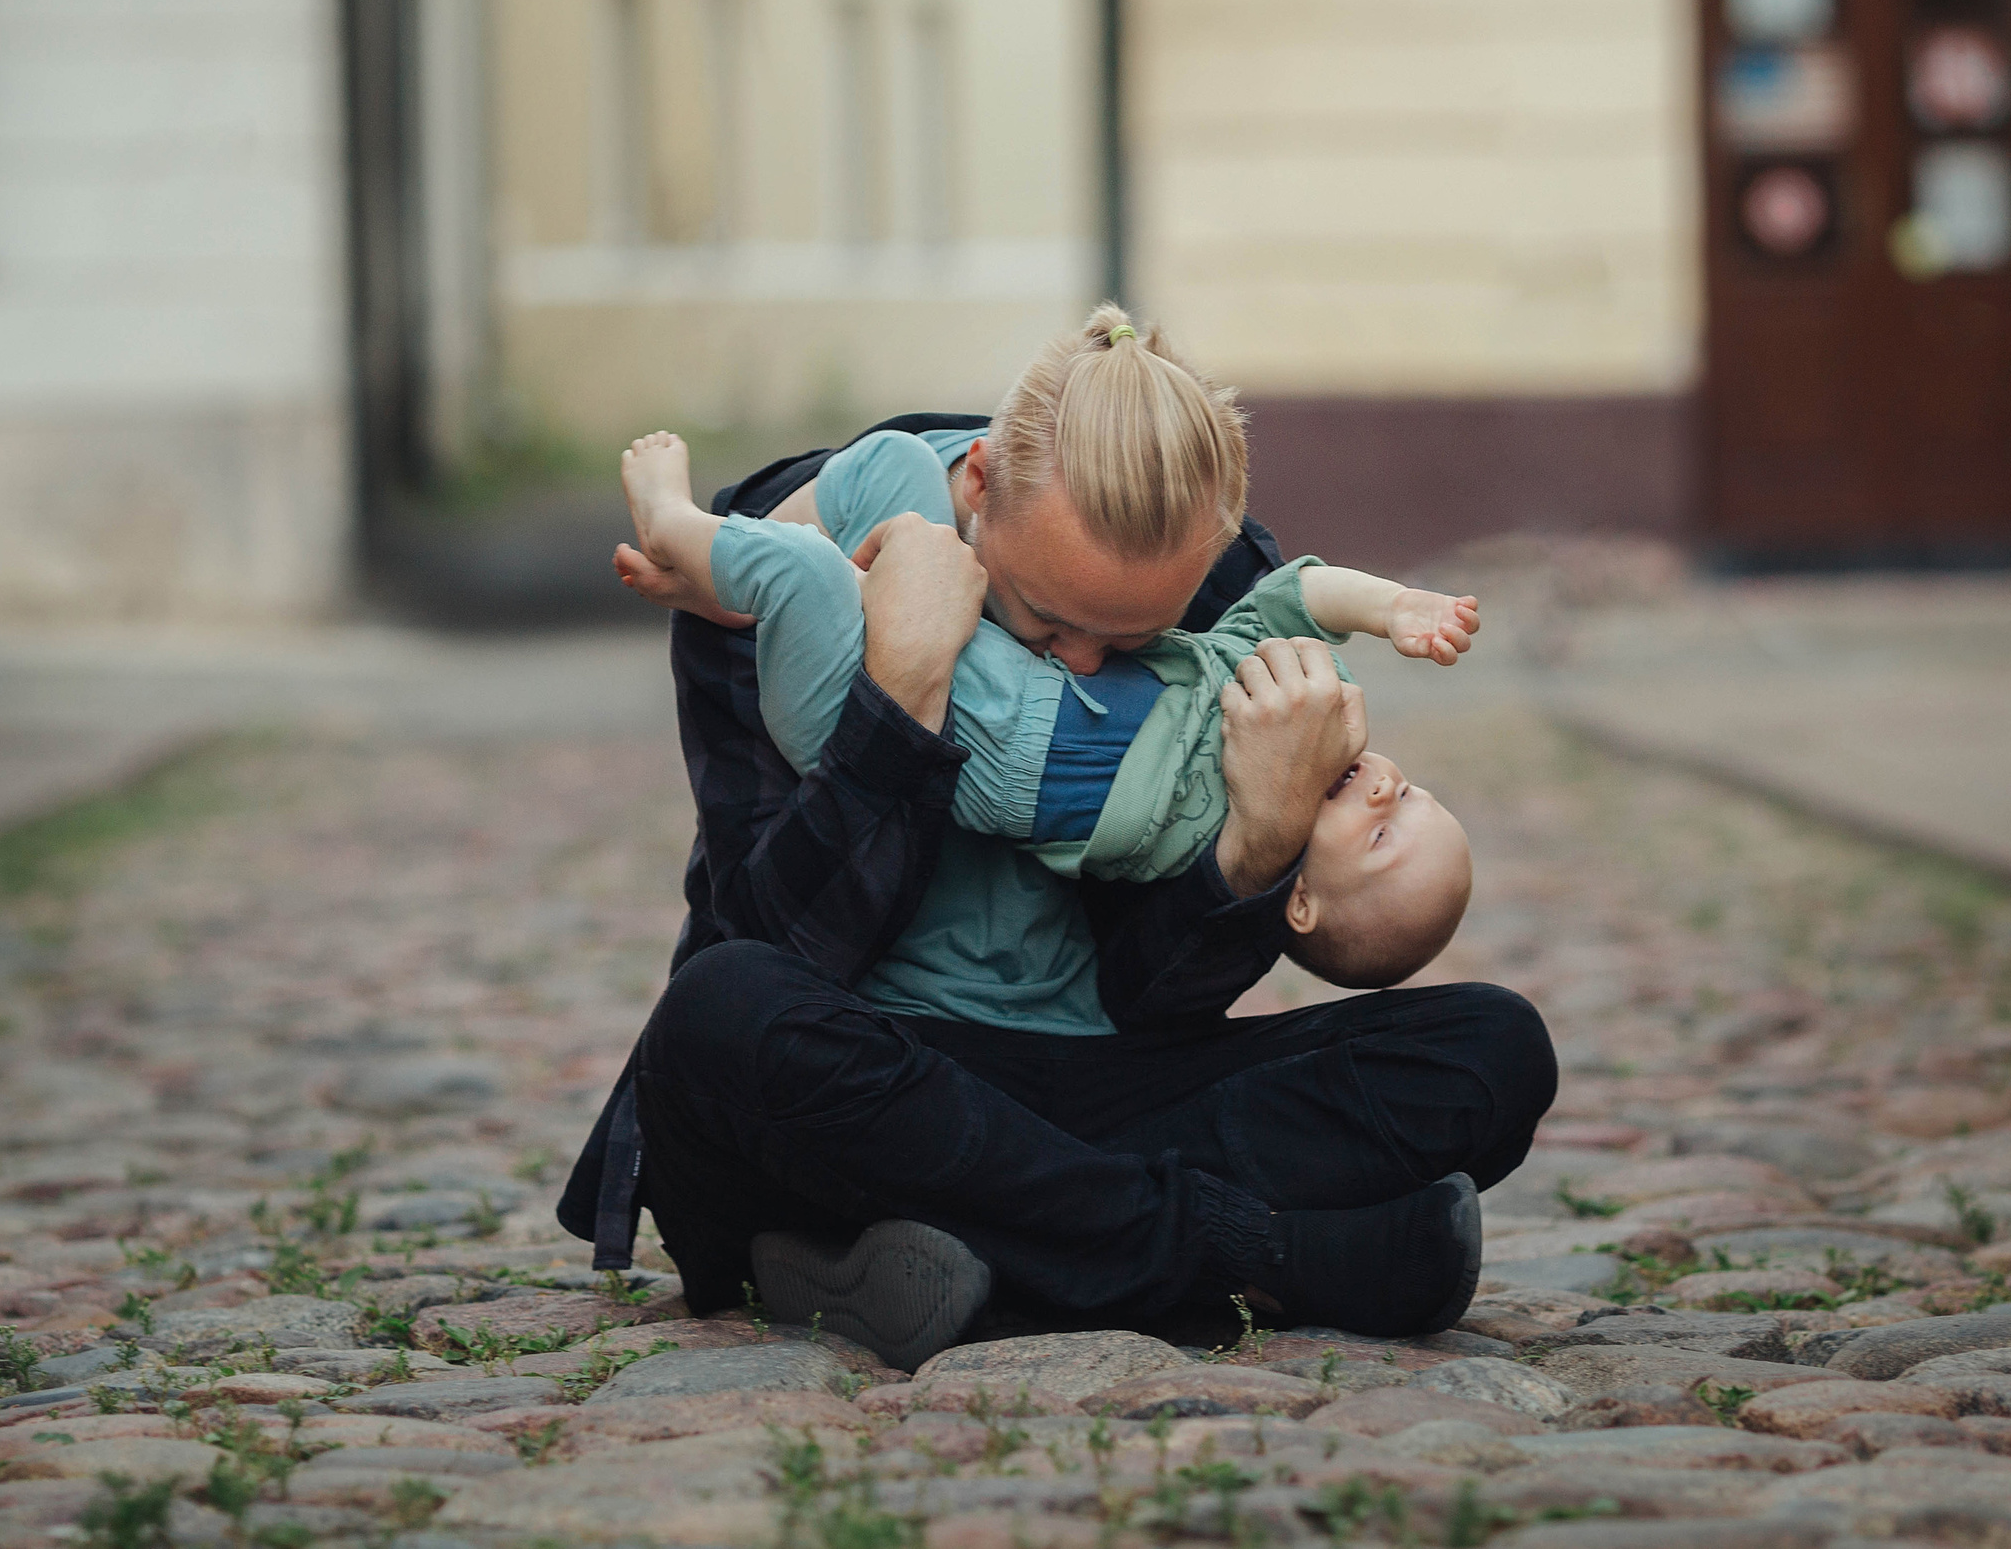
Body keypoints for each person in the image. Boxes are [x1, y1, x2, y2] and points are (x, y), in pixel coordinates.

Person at [558, 306, 1556, 1371]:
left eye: (1126, 641)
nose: (1085, 665)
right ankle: (1264, 1255)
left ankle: (948, 1256)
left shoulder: (1208, 579)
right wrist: (897, 698)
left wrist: (1257, 843)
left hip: (1080, 1078)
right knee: (721, 1011)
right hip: (864, 1074)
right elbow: (781, 940)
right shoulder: (752, 574)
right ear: (979, 483)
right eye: (1043, 619)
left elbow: (1147, 1000)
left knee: (1491, 1050)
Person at [616, 418, 1477, 990]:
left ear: (1299, 904)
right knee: (896, 461)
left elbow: (1150, 962)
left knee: (806, 575)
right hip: (930, 631)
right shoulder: (1266, 705)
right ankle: (723, 591)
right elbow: (1288, 600)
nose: (1381, 788)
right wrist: (1393, 605)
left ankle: (677, 527)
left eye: (1381, 833)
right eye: (1408, 792)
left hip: (868, 715)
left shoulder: (1195, 829)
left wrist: (1262, 830)